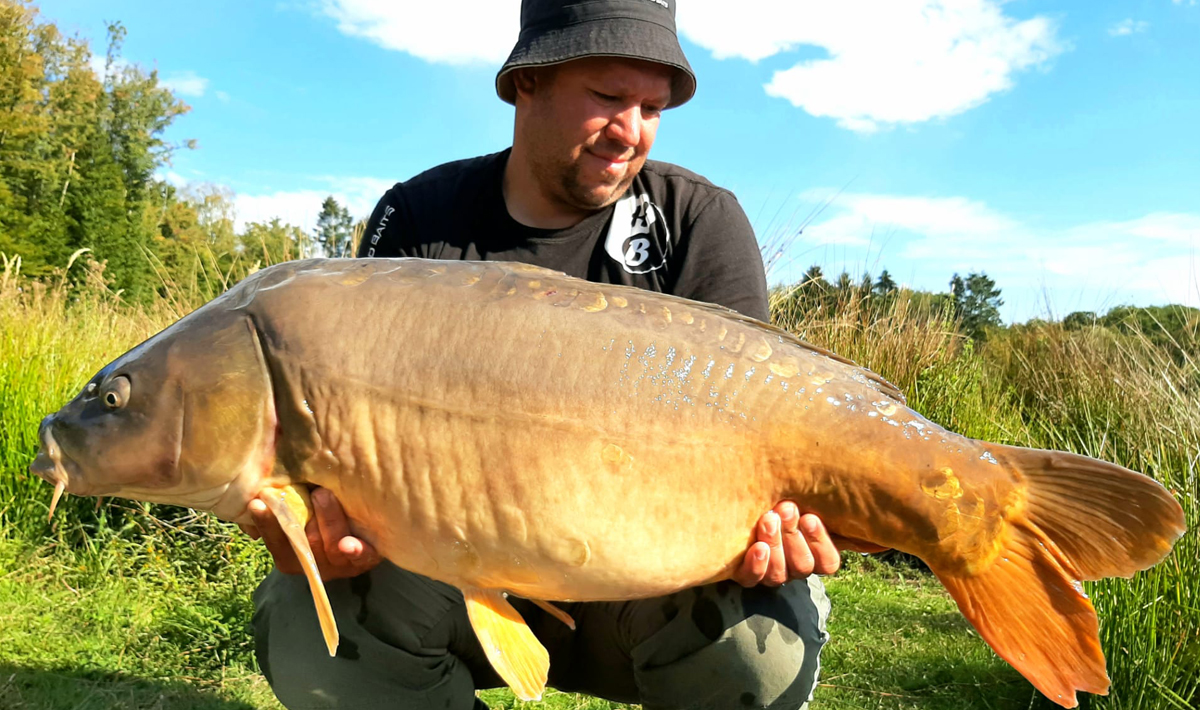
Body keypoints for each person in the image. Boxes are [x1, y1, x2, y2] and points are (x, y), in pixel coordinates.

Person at [244, 1, 841, 708]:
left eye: (652, 108)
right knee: (309, 624)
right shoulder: (420, 218)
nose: (631, 131)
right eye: (609, 97)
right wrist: (314, 523)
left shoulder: (698, 221)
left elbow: (755, 432)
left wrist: (776, 532)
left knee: (756, 651)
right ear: (526, 81)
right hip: (452, 574)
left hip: (647, 583)